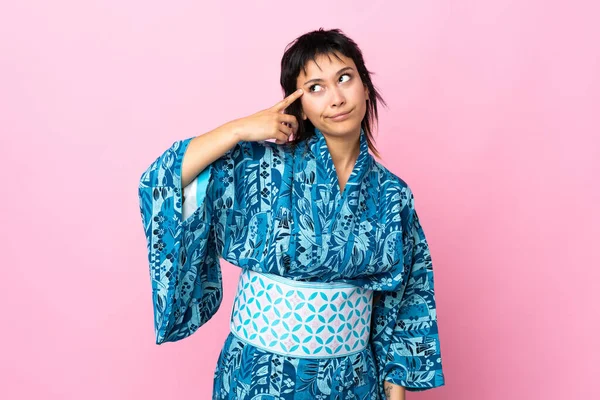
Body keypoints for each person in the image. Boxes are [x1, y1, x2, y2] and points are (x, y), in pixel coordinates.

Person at [138, 28, 445, 400]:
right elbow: (163, 181)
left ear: (365, 85)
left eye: (344, 78)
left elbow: (405, 303)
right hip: (257, 379)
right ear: (299, 105)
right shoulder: (262, 167)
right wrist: (237, 130)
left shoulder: (393, 194)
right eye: (315, 87)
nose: (335, 98)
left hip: (352, 382)